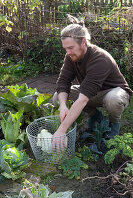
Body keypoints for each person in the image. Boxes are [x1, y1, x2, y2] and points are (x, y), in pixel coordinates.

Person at [52, 20, 133, 150]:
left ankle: (113, 124)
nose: (67, 52)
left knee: (113, 100)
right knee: (58, 96)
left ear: (83, 42)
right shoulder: (71, 56)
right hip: (91, 92)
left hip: (113, 91)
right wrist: (62, 106)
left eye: (70, 47)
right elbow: (63, 82)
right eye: (65, 48)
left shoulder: (100, 58)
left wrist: (61, 130)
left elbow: (83, 99)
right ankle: (95, 117)